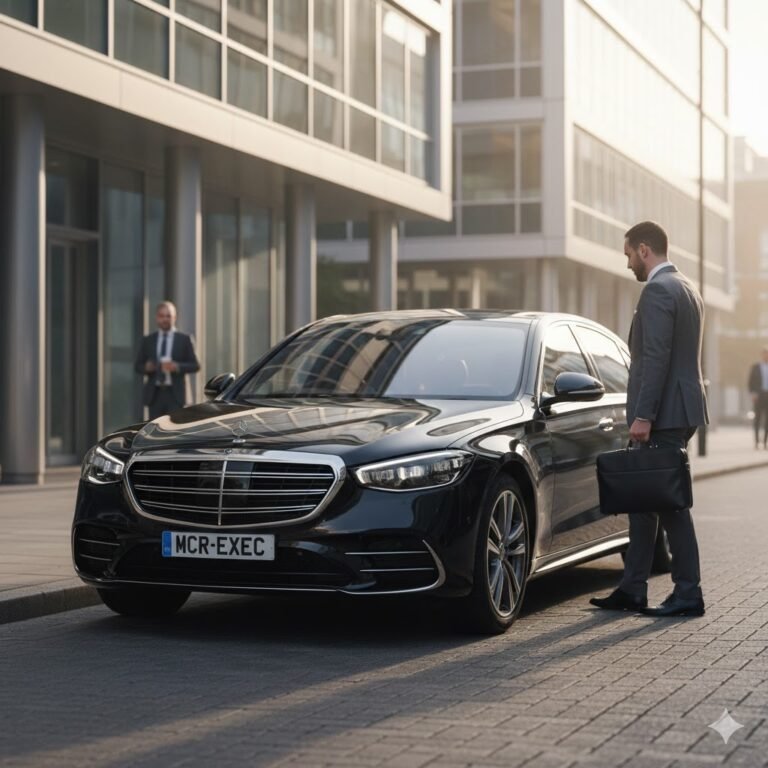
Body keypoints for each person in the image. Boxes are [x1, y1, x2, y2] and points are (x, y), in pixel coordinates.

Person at [590, 221, 708, 617]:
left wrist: (643, 415)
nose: (627, 265)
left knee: (670, 504)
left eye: (627, 254)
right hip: (681, 407)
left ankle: (688, 593)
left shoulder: (658, 289)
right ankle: (632, 588)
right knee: (644, 499)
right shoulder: (687, 288)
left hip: (663, 414)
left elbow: (656, 357)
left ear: (644, 250)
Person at [135, 301, 200, 419]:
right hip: (155, 395)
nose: (165, 319)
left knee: (176, 431)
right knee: (154, 431)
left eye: (168, 316)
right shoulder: (148, 340)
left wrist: (177, 366)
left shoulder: (184, 339)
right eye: (161, 316)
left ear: (174, 317)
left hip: (176, 394)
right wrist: (147, 367)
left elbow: (195, 365)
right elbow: (138, 366)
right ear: (156, 317)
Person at [747, 347, 768, 448]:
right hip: (759, 395)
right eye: (765, 354)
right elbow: (750, 382)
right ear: (762, 355)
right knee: (757, 419)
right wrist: (753, 393)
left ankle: (765, 442)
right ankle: (756, 442)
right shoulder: (756, 367)